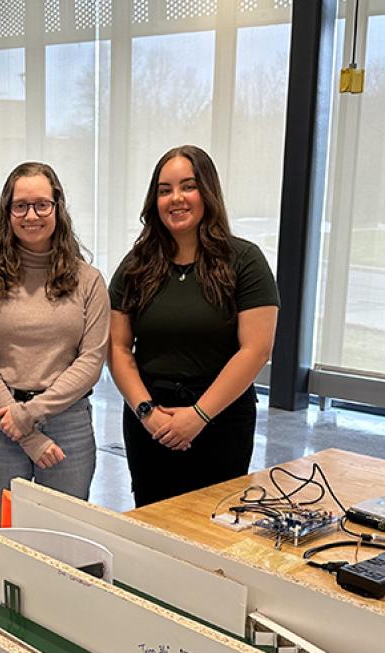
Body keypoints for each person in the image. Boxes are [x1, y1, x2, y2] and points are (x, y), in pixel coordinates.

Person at [108, 145, 279, 507]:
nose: (176, 198)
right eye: (164, 190)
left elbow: (256, 349)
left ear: (208, 192)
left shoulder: (245, 261)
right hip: (150, 421)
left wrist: (199, 415)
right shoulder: (136, 266)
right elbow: (118, 349)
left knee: (213, 530)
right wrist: (147, 413)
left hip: (222, 420)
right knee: (154, 527)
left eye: (188, 186)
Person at [0, 162, 109, 528]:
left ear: (58, 208)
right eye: (21, 206)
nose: (32, 215)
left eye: (42, 204)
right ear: (7, 213)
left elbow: (90, 362)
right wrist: (25, 432)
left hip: (67, 423)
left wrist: (29, 416)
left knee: (64, 537)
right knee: (1, 534)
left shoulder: (89, 281)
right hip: (0, 423)